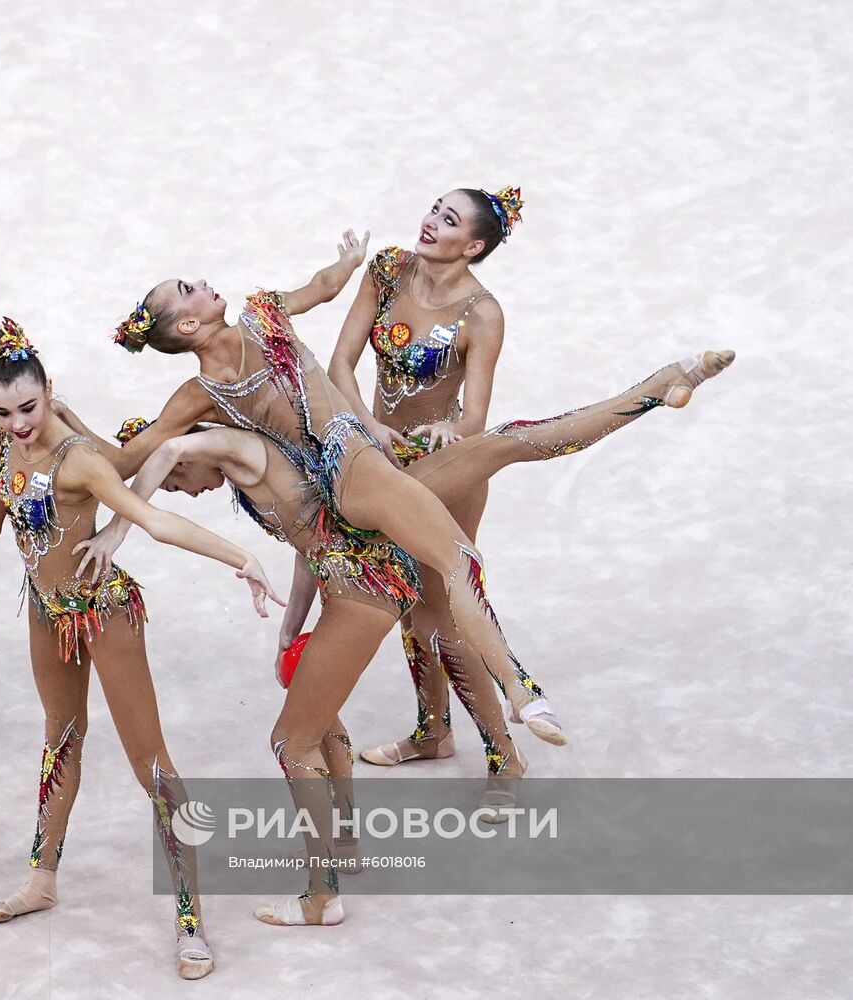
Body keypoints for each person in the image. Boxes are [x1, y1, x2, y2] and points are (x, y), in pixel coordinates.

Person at [72, 345, 735, 926]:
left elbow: (171, 448)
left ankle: (324, 891)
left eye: (181, 489)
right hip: (369, 545)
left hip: (387, 511)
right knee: (332, 706)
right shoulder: (259, 475)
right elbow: (311, 546)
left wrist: (121, 520)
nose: (185, 493)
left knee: (501, 458)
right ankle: (355, 839)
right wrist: (290, 628)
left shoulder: (240, 448)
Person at [0, 320, 281, 978]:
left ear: (49, 392)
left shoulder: (78, 457)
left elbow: (153, 520)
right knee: (61, 738)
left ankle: (191, 918)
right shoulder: (3, 447)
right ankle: (40, 879)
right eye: (3, 412)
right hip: (48, 614)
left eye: (28, 407)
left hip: (104, 612)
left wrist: (239, 554)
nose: (18, 424)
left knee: (151, 763)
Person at [327, 186, 564, 769]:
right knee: (411, 607)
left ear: (474, 245)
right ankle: (433, 732)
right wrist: (370, 429)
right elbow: (339, 365)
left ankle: (504, 755)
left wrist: (450, 429)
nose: (431, 221)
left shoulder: (482, 314)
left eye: (449, 220)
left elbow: (477, 415)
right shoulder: (386, 271)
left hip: (444, 473)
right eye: (434, 208)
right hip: (380, 463)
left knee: (443, 611)